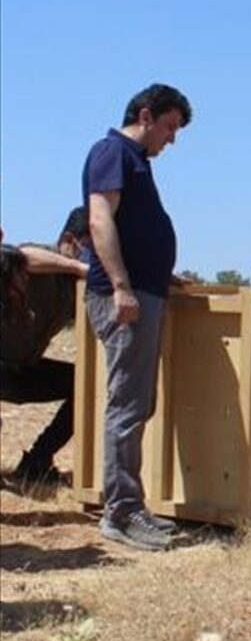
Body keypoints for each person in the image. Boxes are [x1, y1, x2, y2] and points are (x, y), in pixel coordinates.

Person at [83, 83, 192, 551]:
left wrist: (160, 273)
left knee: (136, 404)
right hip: (125, 299)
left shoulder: (136, 161)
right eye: (169, 127)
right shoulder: (113, 152)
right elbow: (99, 219)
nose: (172, 138)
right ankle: (121, 513)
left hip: (144, 293)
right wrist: (123, 286)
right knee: (127, 407)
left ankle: (131, 505)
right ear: (145, 116)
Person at [1, 211, 90, 484]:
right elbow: (23, 255)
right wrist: (78, 267)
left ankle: (37, 462)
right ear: (69, 241)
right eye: (92, 247)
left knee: (85, 384)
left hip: (23, 370)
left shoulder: (78, 289)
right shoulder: (36, 262)